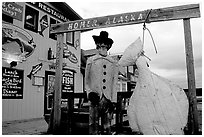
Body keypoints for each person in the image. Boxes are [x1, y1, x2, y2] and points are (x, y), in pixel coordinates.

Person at [85, 31, 118, 135]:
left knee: (107, 126)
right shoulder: (91, 60)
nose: (102, 45)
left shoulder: (113, 63)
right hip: (95, 98)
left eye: (105, 43)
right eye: (100, 43)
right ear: (97, 45)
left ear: (108, 46)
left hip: (107, 99)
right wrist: (89, 93)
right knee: (93, 125)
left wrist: (114, 100)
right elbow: (86, 80)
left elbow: (114, 83)